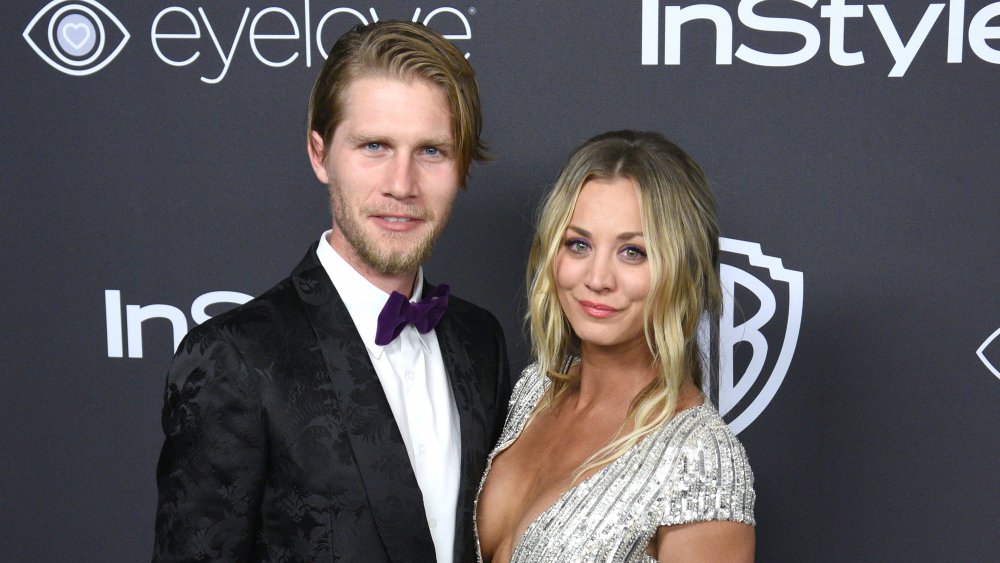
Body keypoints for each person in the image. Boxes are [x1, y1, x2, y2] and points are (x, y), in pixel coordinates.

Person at [153, 21, 511, 562]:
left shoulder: (479, 340)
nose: (402, 184)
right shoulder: (232, 359)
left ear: (461, 167)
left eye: (432, 151)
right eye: (374, 146)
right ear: (320, 154)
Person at [475, 130, 755, 562]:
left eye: (633, 252)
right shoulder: (535, 391)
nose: (598, 278)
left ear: (682, 268)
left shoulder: (703, 460)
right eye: (579, 244)